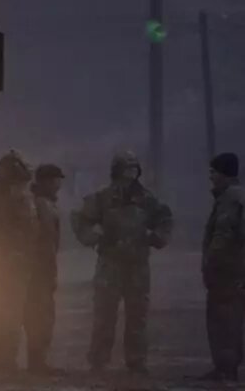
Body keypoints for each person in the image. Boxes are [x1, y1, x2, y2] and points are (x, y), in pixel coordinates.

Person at [70, 151, 172, 374]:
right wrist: (93, 236)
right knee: (104, 314)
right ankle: (99, 360)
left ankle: (136, 361)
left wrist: (156, 237)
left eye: (134, 169)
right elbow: (80, 218)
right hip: (110, 264)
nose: (131, 174)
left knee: (137, 315)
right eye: (126, 169)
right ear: (116, 171)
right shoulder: (103, 198)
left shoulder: (146, 199)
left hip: (137, 265)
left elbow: (165, 219)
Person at [0, 150, 37, 373]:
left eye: (3, 168)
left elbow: (26, 230)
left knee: (9, 312)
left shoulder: (18, 197)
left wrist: (15, 254)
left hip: (11, 263)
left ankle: (4, 360)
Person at [198, 153, 244, 382]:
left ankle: (226, 369)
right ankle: (225, 368)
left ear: (224, 173)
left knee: (225, 322)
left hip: (227, 274)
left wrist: (210, 263)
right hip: (230, 272)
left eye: (213, 172)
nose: (210, 176)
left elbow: (223, 238)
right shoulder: (232, 197)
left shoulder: (230, 200)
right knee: (227, 320)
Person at [24, 164, 66, 375]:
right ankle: (37, 362)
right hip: (38, 268)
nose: (58, 185)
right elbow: (42, 240)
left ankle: (38, 360)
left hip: (42, 266)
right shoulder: (39, 204)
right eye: (55, 180)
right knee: (40, 315)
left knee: (41, 314)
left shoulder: (44, 204)